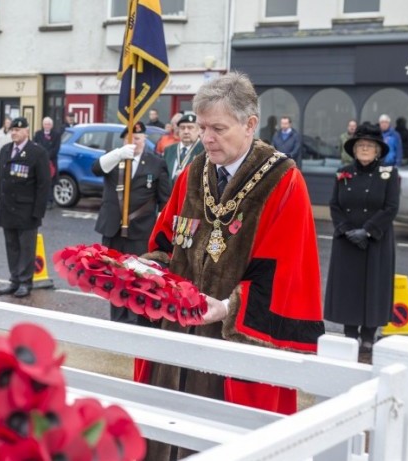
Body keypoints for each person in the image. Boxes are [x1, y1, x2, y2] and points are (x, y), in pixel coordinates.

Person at [141, 73, 324, 460]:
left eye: (218, 128)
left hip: (236, 347)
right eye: (202, 126)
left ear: (250, 124)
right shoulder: (192, 173)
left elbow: (284, 275)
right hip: (179, 342)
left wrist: (228, 308)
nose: (206, 138)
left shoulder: (283, 180)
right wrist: (139, 272)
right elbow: (166, 244)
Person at [324, 122, 399, 354]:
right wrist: (347, 230)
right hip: (347, 240)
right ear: (354, 150)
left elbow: (390, 207)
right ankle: (350, 333)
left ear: (378, 150)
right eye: (360, 145)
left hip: (375, 240)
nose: (365, 149)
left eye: (369, 146)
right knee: (349, 288)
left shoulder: (388, 174)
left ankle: (368, 335)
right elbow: (334, 205)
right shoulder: (343, 173)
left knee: (373, 286)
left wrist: (366, 231)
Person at [92, 121, 171, 325]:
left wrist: (163, 231)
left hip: (140, 229)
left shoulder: (155, 162)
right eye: (129, 139)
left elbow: (164, 198)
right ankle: (117, 321)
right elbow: (96, 169)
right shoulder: (115, 158)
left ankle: (136, 320)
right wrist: (118, 154)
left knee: (137, 277)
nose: (134, 142)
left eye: (137, 138)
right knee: (114, 276)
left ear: (144, 139)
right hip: (113, 228)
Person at [0, 117, 51, 298]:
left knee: (27, 248)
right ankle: (14, 280)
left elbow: (43, 185)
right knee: (11, 246)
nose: (14, 133)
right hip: (7, 208)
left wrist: (38, 212)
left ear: (27, 131)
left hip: (27, 210)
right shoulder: (5, 150)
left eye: (18, 130)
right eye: (12, 130)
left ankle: (26, 282)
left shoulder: (37, 152)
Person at [163, 113, 203, 183]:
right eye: (182, 128)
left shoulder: (204, 150)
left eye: (190, 128)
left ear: (198, 130)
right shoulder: (169, 150)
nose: (186, 132)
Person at [33, 116, 61, 209]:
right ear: (43, 125)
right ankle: (41, 201)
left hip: (51, 161)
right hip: (40, 161)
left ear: (51, 125)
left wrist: (47, 156)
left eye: (49, 124)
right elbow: (35, 146)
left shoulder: (56, 135)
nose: (47, 126)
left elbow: (56, 149)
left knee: (50, 182)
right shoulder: (37, 134)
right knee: (41, 181)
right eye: (45, 124)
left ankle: (50, 201)